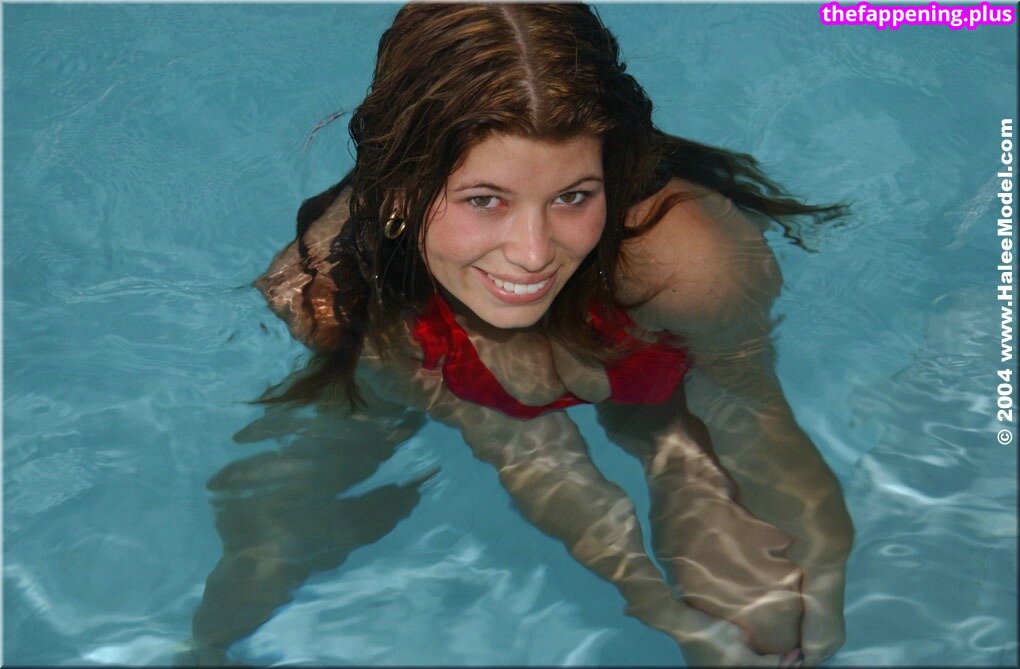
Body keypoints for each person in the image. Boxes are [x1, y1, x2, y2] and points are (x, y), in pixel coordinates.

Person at [187, 3, 854, 666]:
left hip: (640, 352)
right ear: (398, 193)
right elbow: (528, 454)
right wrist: (662, 611)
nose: (533, 253)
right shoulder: (334, 294)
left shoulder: (687, 261)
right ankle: (196, 650)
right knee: (272, 525)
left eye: (573, 195)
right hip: (413, 323)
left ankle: (663, 442)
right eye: (485, 200)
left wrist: (823, 593)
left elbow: (754, 414)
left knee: (767, 618)